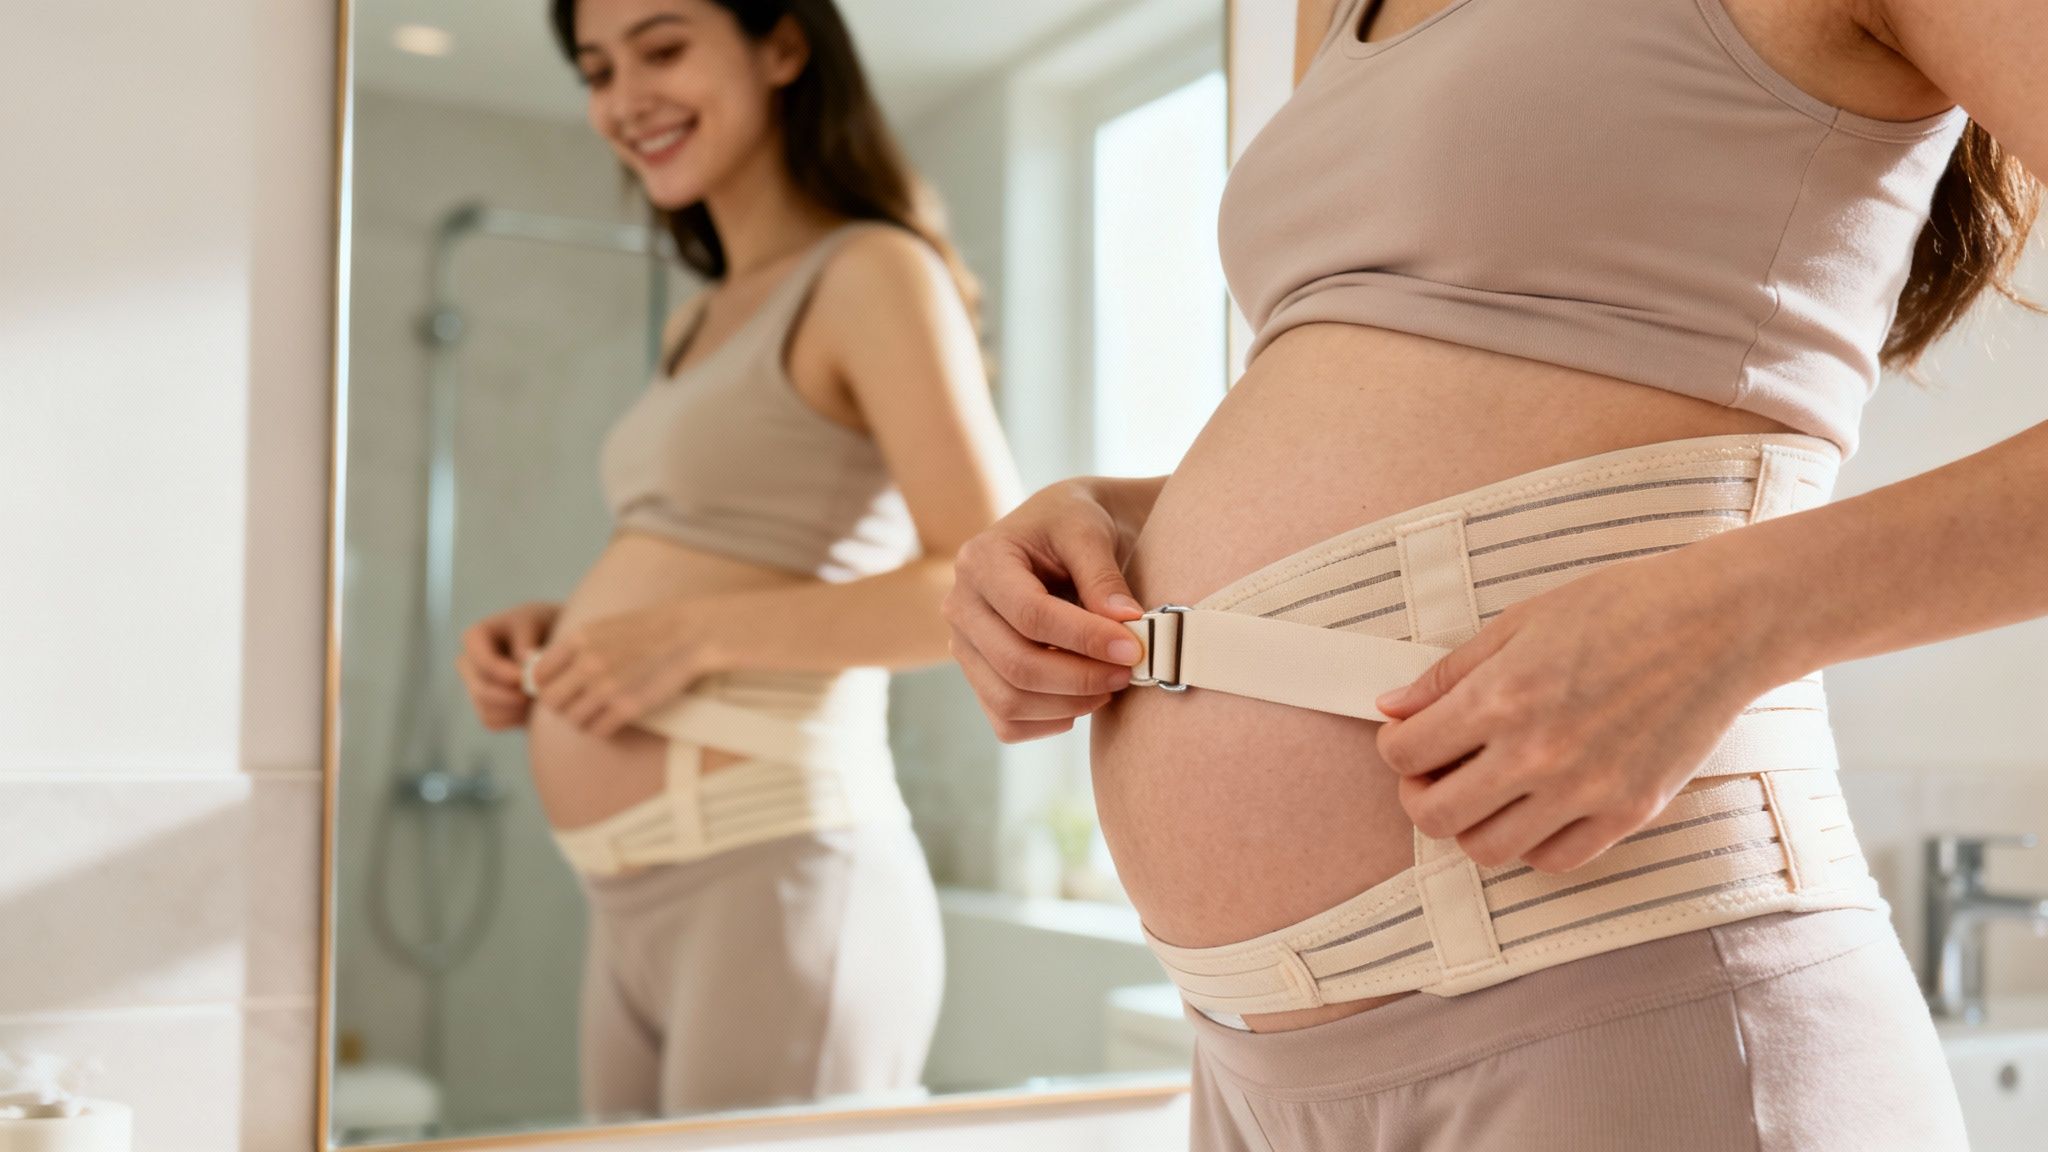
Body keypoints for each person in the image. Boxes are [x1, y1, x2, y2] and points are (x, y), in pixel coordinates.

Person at [942, 0, 2044, 1148]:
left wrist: (1731, 615)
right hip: (1251, 1070)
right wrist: (1123, 525)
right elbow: (1398, 417)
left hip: (1624, 1006)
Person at [453, 0, 1021, 1120]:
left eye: (662, 49)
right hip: (632, 896)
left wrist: (684, 634)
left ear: (783, 45)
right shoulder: (700, 318)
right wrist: (565, 634)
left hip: (776, 870)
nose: (623, 100)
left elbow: (984, 582)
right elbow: (725, 547)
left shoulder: (870, 273)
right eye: (597, 68)